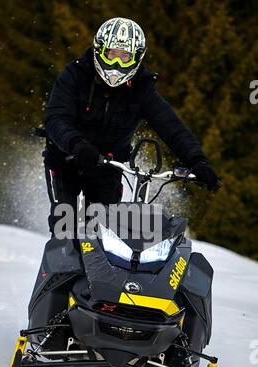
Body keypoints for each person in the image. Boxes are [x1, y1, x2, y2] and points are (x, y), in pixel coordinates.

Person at [44, 17, 219, 237]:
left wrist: (197, 160)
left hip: (108, 166)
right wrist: (76, 143)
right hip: (64, 159)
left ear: (136, 59)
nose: (117, 63)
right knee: (65, 227)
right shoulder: (75, 74)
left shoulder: (141, 87)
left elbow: (171, 126)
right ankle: (60, 271)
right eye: (112, 54)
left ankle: (102, 271)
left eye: (125, 56)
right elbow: (55, 118)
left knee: (102, 233)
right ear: (100, 51)